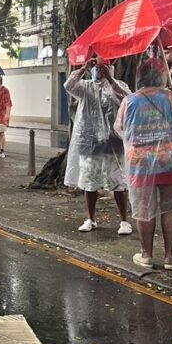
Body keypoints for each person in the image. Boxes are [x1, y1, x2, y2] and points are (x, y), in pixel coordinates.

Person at [115, 57, 172, 270]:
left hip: (140, 163)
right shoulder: (170, 98)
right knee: (170, 209)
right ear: (161, 76)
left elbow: (120, 128)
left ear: (140, 77)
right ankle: (170, 257)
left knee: (144, 209)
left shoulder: (129, 101)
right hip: (171, 160)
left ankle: (146, 255)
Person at [64, 58, 131, 234]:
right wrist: (83, 68)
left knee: (118, 181)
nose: (98, 70)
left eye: (101, 67)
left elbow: (126, 98)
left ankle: (124, 221)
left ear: (109, 68)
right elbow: (68, 85)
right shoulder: (85, 86)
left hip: (112, 142)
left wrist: (110, 79)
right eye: (95, 66)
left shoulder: (118, 85)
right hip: (90, 142)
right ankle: (90, 219)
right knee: (89, 182)